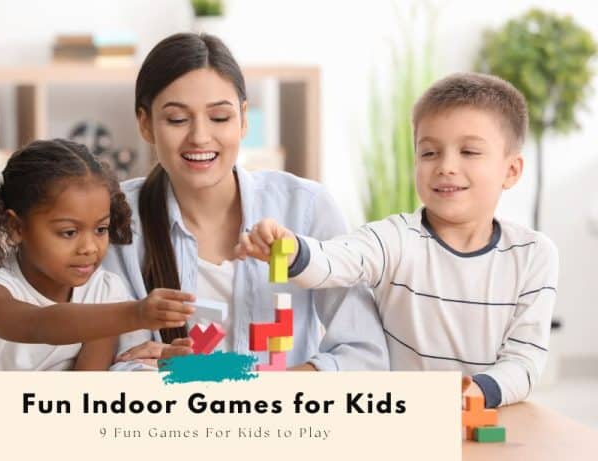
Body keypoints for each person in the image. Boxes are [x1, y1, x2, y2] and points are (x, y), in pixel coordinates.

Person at [236, 73, 559, 407]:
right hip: (402, 416)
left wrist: (479, 391)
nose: (446, 166)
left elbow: (524, 361)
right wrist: (291, 249)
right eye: (430, 153)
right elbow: (337, 260)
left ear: (511, 170)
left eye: (469, 151)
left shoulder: (535, 255)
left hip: (487, 418)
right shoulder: (394, 238)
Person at [104, 32, 389, 371]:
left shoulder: (307, 208)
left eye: (220, 118)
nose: (199, 137)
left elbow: (364, 356)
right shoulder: (116, 220)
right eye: (178, 119)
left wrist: (251, 388)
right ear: (145, 124)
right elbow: (114, 367)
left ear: (243, 119)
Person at [0, 139, 194, 460]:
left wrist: (156, 367)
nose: (89, 247)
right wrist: (136, 313)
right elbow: (37, 325)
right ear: (16, 226)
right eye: (68, 232)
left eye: (101, 229)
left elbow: (83, 392)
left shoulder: (105, 292)